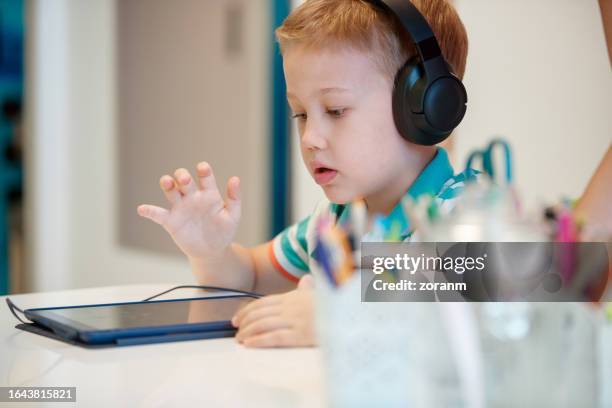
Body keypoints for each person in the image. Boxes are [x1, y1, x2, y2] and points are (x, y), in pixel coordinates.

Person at [137, 0, 474, 348]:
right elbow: (252, 276)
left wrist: (338, 313)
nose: (310, 138)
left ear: (427, 106)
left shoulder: (467, 211)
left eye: (335, 110)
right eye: (301, 115)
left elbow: (504, 285)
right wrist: (210, 252)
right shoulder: (333, 222)